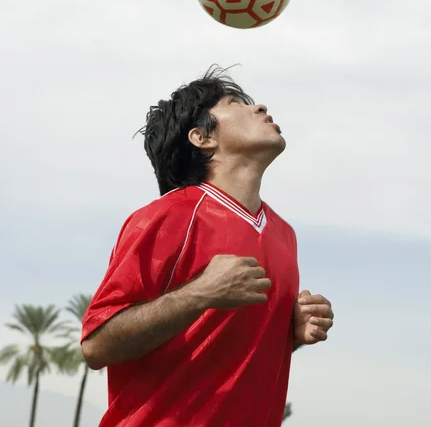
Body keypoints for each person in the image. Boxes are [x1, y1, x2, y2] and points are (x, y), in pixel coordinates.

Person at [81, 66, 334, 427]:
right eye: (236, 103)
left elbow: (223, 349)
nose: (260, 107)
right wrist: (200, 292)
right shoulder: (166, 216)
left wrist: (289, 334)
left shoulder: (284, 234)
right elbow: (96, 346)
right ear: (201, 138)